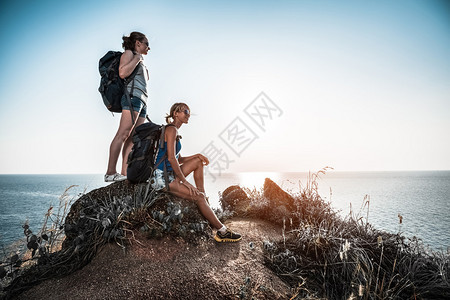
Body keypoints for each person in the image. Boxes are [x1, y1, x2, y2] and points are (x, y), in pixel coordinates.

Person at [150, 102, 242, 243]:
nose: (188, 115)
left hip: (168, 174)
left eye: (189, 112)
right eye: (185, 111)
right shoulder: (172, 130)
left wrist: (197, 155)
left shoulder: (174, 131)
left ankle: (202, 195)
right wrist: (184, 182)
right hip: (162, 178)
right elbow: (171, 159)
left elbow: (178, 159)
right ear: (175, 113)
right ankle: (222, 232)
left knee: (198, 163)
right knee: (198, 198)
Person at [105, 32, 150, 182]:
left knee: (132, 139)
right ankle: (110, 172)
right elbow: (123, 72)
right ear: (138, 43)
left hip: (142, 101)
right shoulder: (129, 54)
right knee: (122, 134)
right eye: (146, 43)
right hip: (132, 98)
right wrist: (137, 57)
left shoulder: (140, 59)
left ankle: (124, 174)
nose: (148, 47)